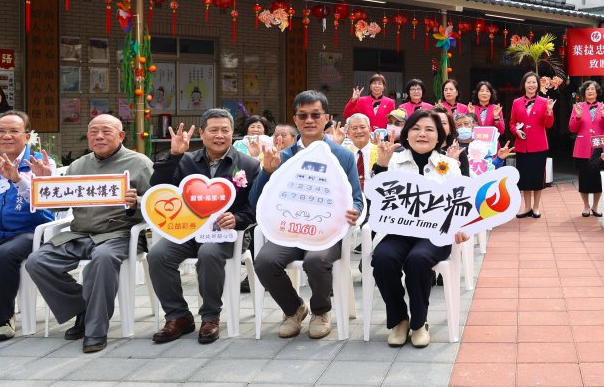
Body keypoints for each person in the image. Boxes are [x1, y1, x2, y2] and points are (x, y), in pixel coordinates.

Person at [25, 114, 153, 353]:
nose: (99, 136)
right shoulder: (79, 165)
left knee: (102, 259)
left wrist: (137, 201)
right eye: (94, 131)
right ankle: (81, 308)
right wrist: (46, 184)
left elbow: (156, 205)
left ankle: (95, 330)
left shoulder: (140, 163)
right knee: (37, 261)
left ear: (121, 135)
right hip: (80, 234)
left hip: (120, 234)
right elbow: (61, 205)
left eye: (106, 131)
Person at [250, 91, 363, 339]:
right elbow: (256, 202)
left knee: (316, 260)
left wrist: (356, 212)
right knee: (265, 262)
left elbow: (356, 197)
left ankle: (321, 311)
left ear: (327, 118)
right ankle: (294, 309)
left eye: (315, 114)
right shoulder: (283, 156)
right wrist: (267, 172)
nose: (309, 120)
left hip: (326, 232)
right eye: (303, 115)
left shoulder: (342, 156)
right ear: (295, 119)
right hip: (288, 231)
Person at [147, 110, 261, 344]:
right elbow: (158, 189)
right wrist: (173, 156)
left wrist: (237, 219)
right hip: (188, 232)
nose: (220, 136)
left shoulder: (248, 165)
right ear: (201, 133)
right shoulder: (186, 160)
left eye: (225, 130)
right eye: (213, 130)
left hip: (227, 234)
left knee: (209, 252)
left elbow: (256, 207)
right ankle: (178, 316)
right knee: (158, 255)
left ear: (232, 133)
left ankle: (210, 317)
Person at [370, 110, 469, 347]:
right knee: (383, 258)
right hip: (400, 231)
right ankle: (399, 320)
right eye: (416, 128)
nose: (422, 134)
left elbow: (460, 202)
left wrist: (459, 225)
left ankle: (419, 322)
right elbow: (377, 200)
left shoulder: (450, 165)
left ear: (440, 136)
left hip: (435, 235)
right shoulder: (393, 160)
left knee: (418, 259)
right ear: (407, 134)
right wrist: (381, 167)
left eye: (429, 129)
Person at [0, 111, 56, 341]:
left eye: (14, 131)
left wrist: (18, 179)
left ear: (27, 137)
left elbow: (48, 207)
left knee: (3, 255)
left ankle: (3, 318)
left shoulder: (42, 163)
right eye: (1, 131)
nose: (7, 136)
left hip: (30, 233)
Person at [510, 71, 555, 218]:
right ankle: (526, 207)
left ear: (538, 84)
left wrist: (549, 111)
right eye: (528, 82)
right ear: (524, 84)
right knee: (524, 178)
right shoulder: (516, 102)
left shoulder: (544, 101)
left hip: (539, 146)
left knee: (537, 178)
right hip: (522, 146)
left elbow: (548, 125)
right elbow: (512, 123)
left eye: (534, 82)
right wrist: (516, 131)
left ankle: (536, 207)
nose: (531, 85)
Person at [569, 81, 604, 217]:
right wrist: (578, 117)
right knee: (584, 179)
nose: (590, 91)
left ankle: (596, 206)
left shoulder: (603, 107)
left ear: (597, 92)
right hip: (582, 147)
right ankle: (586, 206)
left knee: (598, 179)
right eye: (587, 89)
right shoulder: (578, 106)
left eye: (593, 89)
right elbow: (572, 128)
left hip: (599, 148)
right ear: (584, 92)